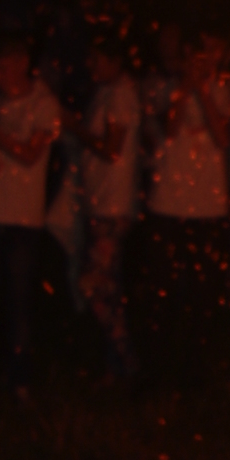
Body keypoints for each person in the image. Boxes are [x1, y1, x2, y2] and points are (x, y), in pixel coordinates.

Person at [0, 35, 61, 412]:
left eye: (2, 68)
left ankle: (20, 382)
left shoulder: (44, 103)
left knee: (19, 305)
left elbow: (31, 155)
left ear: (21, 63)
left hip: (21, 219)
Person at [140, 28, 230, 384]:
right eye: (200, 54)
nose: (206, 60)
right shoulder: (165, 87)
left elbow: (222, 136)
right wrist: (185, 87)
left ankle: (198, 371)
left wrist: (204, 91)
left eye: (212, 53)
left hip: (209, 206)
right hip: (169, 204)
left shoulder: (224, 89)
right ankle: (159, 369)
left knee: (204, 291)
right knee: (164, 289)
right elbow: (168, 128)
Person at [79, 29, 141, 385]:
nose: (91, 65)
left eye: (97, 58)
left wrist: (75, 128)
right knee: (107, 288)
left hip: (112, 207)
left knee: (94, 285)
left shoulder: (120, 94)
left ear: (116, 61)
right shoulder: (105, 92)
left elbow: (112, 148)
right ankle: (114, 366)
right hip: (100, 203)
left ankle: (128, 359)